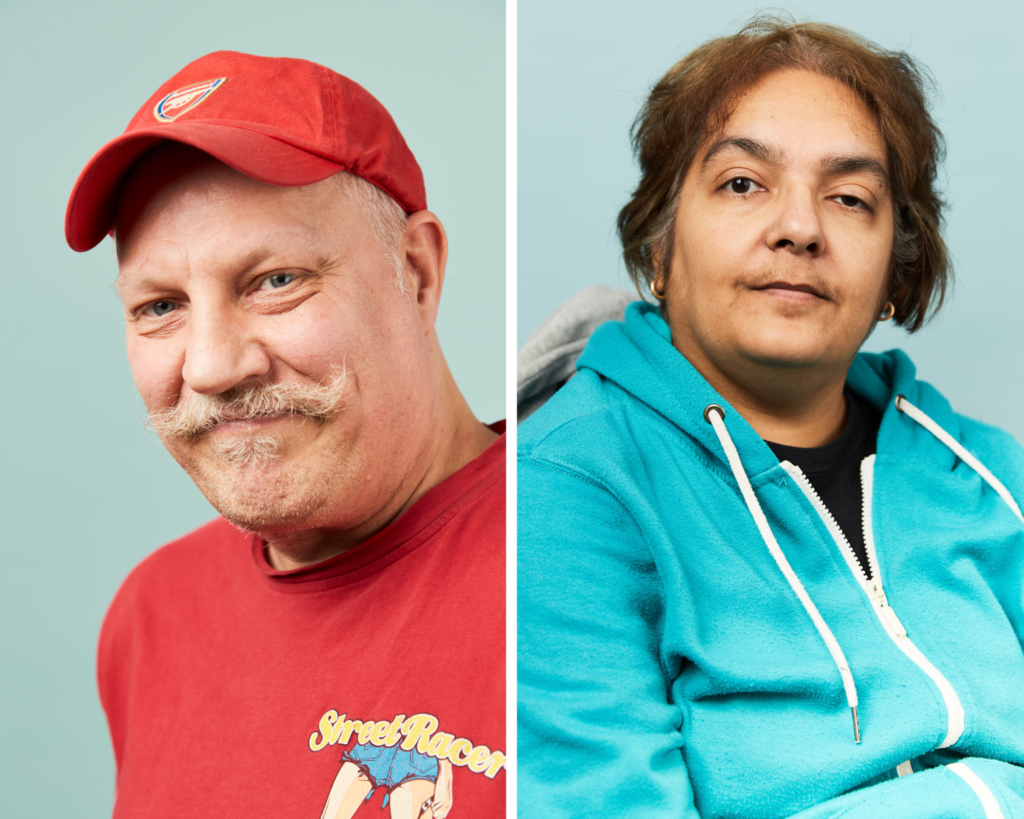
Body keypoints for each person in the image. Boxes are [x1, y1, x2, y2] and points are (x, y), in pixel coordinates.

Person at [517, 18, 1024, 819]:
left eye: (850, 198)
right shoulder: (560, 493)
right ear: (659, 244)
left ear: (898, 263)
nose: (799, 228)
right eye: (743, 184)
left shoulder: (993, 477)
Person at [65, 51, 505, 818]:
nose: (211, 366)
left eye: (274, 281)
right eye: (160, 305)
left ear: (418, 272)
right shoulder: (151, 617)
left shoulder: (588, 554)